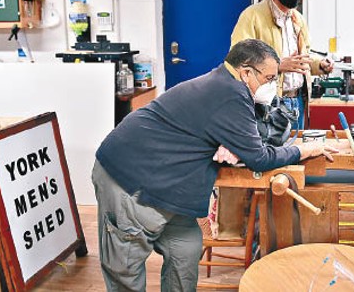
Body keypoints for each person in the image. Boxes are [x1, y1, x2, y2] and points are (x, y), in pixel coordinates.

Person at [92, 39, 336, 292]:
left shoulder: (226, 84)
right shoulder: (230, 94)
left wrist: (231, 142)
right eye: (269, 78)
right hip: (129, 177)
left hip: (168, 182)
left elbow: (234, 135)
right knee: (126, 268)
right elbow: (259, 158)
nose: (271, 86)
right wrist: (303, 150)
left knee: (185, 250)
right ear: (246, 72)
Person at [231, 0, 333, 129]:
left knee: (296, 151)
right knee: (271, 153)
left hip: (298, 101)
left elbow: (301, 57)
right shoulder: (252, 17)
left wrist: (319, 65)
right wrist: (277, 66)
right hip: (268, 105)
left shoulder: (297, 19)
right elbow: (237, 63)